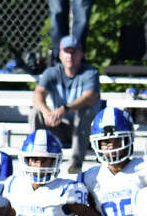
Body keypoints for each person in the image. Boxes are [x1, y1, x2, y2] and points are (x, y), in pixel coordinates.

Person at [31, 35, 101, 173]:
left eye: (73, 51)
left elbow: (90, 97)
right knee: (36, 113)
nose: (70, 55)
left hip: (85, 132)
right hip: (59, 127)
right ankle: (37, 156)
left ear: (81, 54)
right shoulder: (51, 72)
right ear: (60, 54)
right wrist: (46, 112)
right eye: (66, 51)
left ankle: (75, 164)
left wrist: (65, 108)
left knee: (85, 112)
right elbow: (37, 94)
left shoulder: (90, 73)